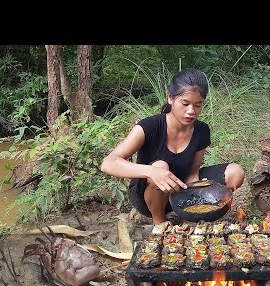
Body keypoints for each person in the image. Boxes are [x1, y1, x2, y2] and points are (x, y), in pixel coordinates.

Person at [100, 68, 245, 227]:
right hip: (148, 195)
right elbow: (108, 163)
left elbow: (192, 173)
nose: (191, 111)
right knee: (160, 166)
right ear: (170, 98)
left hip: (180, 189)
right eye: (185, 103)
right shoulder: (149, 126)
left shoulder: (201, 130)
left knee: (235, 172)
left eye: (198, 105)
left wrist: (193, 206)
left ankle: (188, 217)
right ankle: (160, 221)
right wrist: (151, 171)